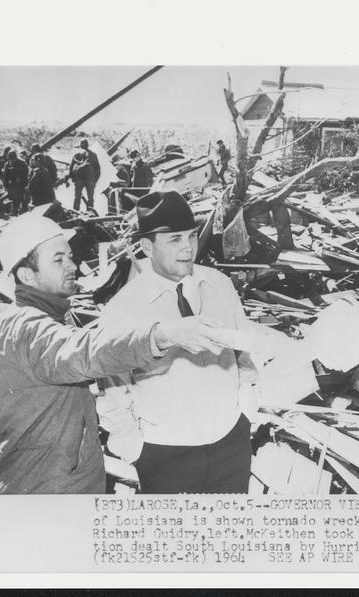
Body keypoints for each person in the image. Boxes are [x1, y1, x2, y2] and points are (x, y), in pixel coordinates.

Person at [0, 213, 229, 494]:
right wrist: (161, 334)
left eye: (69, 256)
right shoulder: (28, 328)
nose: (73, 265)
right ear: (27, 274)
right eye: (58, 260)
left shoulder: (44, 317)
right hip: (47, 491)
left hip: (58, 480)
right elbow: (83, 352)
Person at [96, 190, 258, 494]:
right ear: (146, 247)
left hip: (230, 441)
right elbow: (113, 388)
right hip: (166, 453)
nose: (187, 248)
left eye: (191, 236)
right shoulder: (122, 309)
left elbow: (243, 354)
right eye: (174, 240)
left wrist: (246, 413)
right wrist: (136, 450)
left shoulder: (220, 285)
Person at [69, 140, 100, 211]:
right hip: (90, 179)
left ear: (80, 145)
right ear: (88, 145)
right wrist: (95, 181)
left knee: (77, 196)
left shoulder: (77, 154)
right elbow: (98, 169)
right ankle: (90, 212)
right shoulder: (93, 155)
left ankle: (75, 211)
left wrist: (72, 177)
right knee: (90, 197)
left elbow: (71, 167)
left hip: (79, 178)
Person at [2, 149, 29, 216]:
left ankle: (24, 212)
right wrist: (6, 186)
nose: (11, 161)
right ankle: (14, 212)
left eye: (12, 159)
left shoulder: (22, 163)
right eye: (10, 159)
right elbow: (5, 177)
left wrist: (21, 178)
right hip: (13, 184)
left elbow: (27, 173)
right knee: (14, 199)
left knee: (23, 198)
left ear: (15, 158)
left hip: (22, 184)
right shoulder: (7, 164)